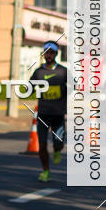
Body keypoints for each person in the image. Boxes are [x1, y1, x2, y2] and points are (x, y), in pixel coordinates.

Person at [30, 41, 67, 182]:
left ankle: (57, 151)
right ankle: (46, 171)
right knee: (42, 145)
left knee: (58, 143)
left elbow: (74, 86)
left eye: (52, 52)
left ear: (56, 54)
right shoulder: (38, 72)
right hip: (43, 114)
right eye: (47, 52)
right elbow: (30, 87)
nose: (49, 55)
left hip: (58, 115)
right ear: (44, 54)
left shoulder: (63, 71)